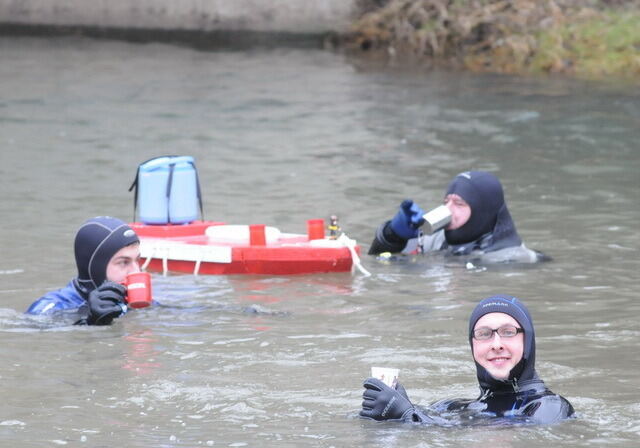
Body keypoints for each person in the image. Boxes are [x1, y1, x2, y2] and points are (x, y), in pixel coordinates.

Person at [360, 294, 575, 426]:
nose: (496, 343)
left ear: (527, 340)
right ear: (473, 345)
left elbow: (513, 435)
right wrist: (391, 410)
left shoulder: (551, 407)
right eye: (484, 334)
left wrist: (410, 417)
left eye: (508, 332)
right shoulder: (455, 407)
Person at [369, 171, 547, 263]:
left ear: (482, 212)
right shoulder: (437, 237)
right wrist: (392, 235)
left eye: (459, 204)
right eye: (446, 202)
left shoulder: (511, 257)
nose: (449, 210)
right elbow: (378, 261)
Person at [26, 216, 142, 325]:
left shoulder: (138, 298)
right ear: (97, 268)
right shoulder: (49, 309)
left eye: (137, 260)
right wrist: (90, 322)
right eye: (123, 262)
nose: (136, 271)